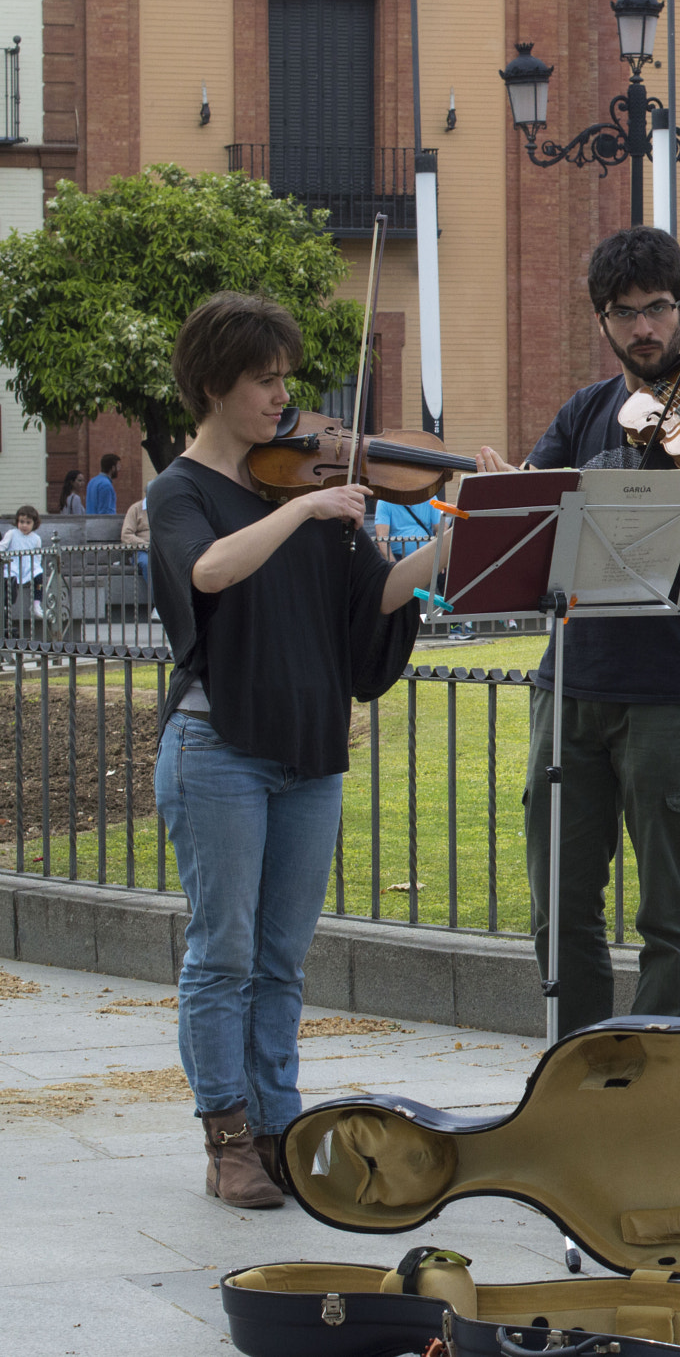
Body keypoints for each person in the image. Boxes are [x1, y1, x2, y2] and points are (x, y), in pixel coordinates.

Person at [150, 292, 456, 1208]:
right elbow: (208, 572)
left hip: (308, 751)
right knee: (223, 954)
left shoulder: (310, 491)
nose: (286, 399)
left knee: (282, 957)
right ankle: (228, 1137)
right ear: (213, 385)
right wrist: (309, 508)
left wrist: (451, 538)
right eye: (265, 380)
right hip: (219, 746)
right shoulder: (183, 492)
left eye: (288, 377)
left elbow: (379, 601)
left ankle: (281, 1128)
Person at [475, 226, 680, 1034]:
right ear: (603, 321)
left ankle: (657, 1079)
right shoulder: (583, 414)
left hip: (672, 691)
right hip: (570, 684)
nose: (645, 329)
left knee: (673, 914)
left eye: (660, 310)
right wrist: (510, 501)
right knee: (561, 905)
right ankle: (575, 1067)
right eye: (626, 313)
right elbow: (536, 527)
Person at [1, 505, 46, 629]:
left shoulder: (36, 538)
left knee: (39, 577)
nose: (24, 525)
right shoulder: (12, 534)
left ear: (34, 524)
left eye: (28, 522)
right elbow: (2, 547)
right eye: (21, 522)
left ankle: (36, 604)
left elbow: (37, 556)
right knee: (10, 578)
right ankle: (7, 603)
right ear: (17, 522)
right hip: (14, 565)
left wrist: (36, 566)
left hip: (29, 566)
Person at [121, 497, 151, 616]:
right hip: (141, 550)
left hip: (162, 550)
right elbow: (126, 535)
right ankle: (161, 605)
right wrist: (146, 545)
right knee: (147, 563)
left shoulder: (164, 507)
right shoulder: (136, 509)